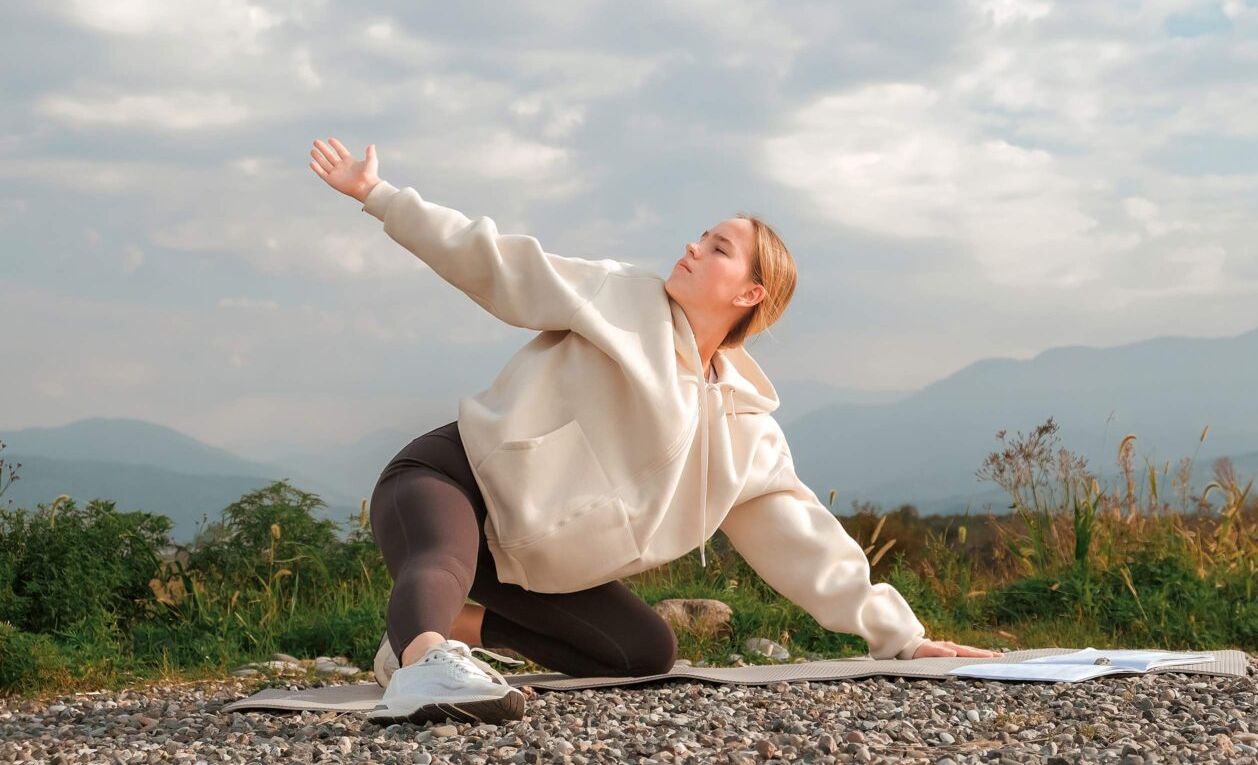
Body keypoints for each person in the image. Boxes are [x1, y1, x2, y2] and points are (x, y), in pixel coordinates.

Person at [308, 137, 999, 725]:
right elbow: (498, 263)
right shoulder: (622, 298)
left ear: (749, 293)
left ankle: (430, 635)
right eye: (703, 236)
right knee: (440, 561)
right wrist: (380, 194)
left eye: (719, 248)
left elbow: (805, 539)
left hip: (534, 564)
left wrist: (902, 639)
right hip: (453, 479)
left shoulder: (745, 431)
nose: (693, 247)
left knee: (644, 653)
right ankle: (425, 661)